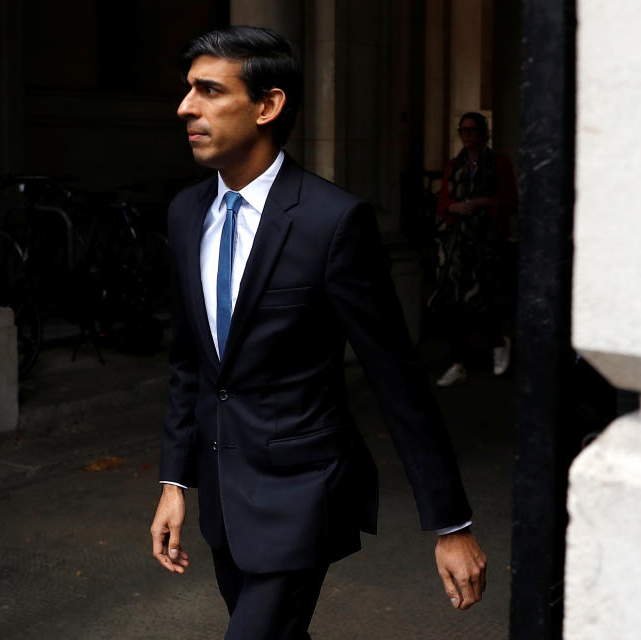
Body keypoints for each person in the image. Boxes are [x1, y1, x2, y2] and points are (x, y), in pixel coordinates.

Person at [148, 26, 487, 639]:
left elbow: (396, 376)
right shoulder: (184, 212)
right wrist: (176, 481)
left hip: (302, 494)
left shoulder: (334, 221)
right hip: (224, 502)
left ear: (268, 106)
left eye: (207, 90)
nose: (185, 107)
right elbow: (190, 364)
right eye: (186, 90)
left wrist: (451, 523)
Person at [429, 112, 518, 387]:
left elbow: (509, 200)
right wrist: (454, 207)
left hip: (487, 241)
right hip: (458, 242)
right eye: (463, 131)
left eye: (472, 130)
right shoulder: (454, 165)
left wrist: (482, 203)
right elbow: (443, 200)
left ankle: (498, 342)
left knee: (485, 298)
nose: (467, 136)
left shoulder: (498, 163)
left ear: (483, 133)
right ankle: (459, 362)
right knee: (454, 301)